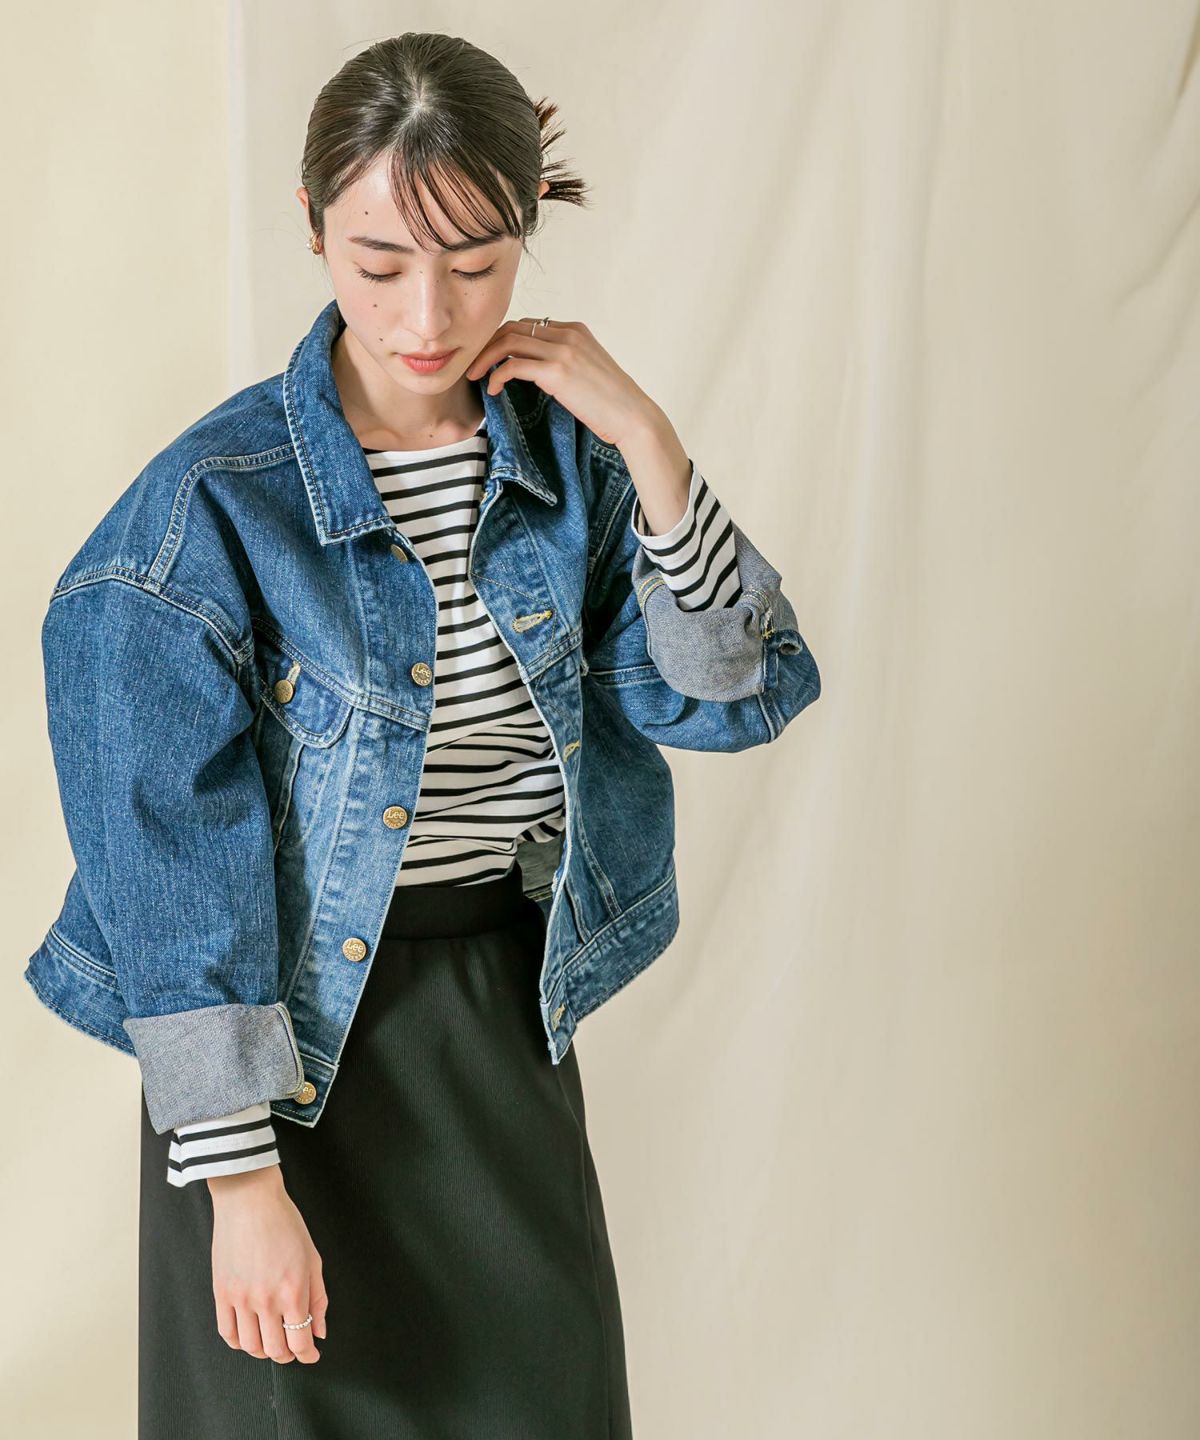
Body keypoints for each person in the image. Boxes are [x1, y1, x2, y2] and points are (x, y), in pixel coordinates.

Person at [24, 31, 821, 1439]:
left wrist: (649, 444)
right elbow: (166, 867)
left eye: (477, 263)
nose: (428, 315)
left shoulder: (568, 465)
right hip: (275, 1069)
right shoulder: (208, 511)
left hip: (495, 1029)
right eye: (379, 262)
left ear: (529, 226)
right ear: (312, 225)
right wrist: (242, 1189)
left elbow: (722, 694)